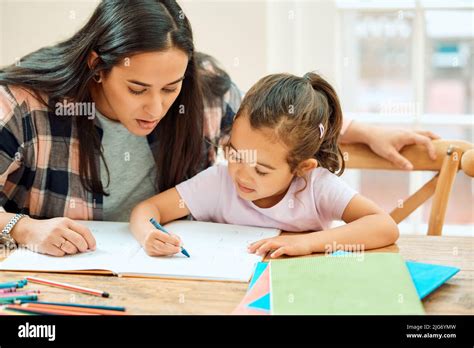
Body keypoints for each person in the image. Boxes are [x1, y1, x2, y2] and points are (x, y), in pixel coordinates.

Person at [129, 72, 399, 257]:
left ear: (302, 167)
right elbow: (148, 209)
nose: (242, 175)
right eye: (235, 155)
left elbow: (384, 226)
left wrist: (306, 242)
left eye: (261, 169)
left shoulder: (316, 187)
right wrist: (147, 235)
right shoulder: (217, 183)